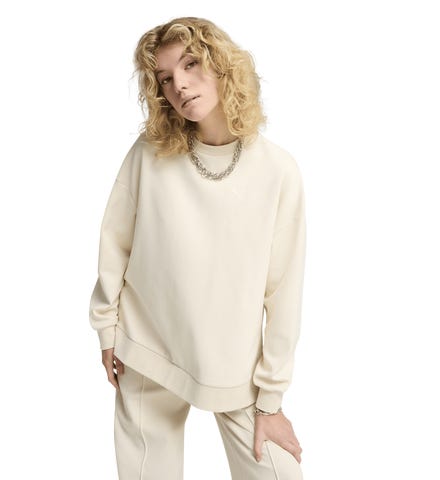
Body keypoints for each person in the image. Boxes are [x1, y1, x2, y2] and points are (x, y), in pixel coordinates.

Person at [89, 16, 307, 480]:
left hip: (232, 365)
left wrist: (270, 402)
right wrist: (107, 330)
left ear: (222, 64)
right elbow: (115, 242)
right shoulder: (149, 152)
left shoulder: (277, 170)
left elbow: (283, 292)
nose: (180, 86)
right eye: (165, 78)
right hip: (147, 346)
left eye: (190, 65)